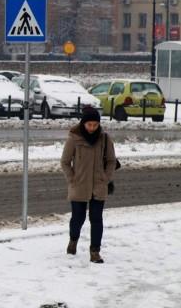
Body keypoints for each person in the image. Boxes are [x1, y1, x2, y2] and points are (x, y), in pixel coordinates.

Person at [60, 107, 116, 264]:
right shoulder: (74, 138)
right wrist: (72, 179)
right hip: (79, 185)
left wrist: (106, 177)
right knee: (78, 218)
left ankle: (95, 252)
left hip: (99, 185)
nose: (92, 128)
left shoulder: (104, 138)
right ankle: (73, 240)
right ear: (83, 123)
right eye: (89, 124)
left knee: (96, 219)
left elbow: (111, 160)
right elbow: (65, 162)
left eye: (95, 125)